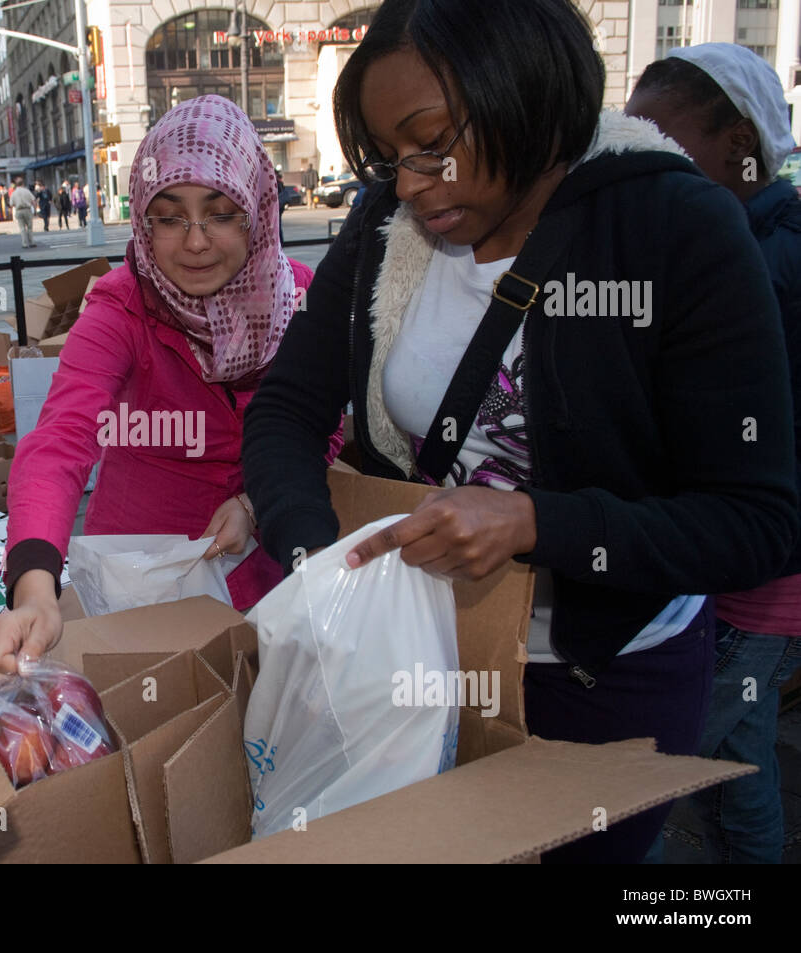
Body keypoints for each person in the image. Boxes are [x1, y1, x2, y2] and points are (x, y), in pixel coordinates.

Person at [241, 0, 798, 864]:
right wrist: (323, 572)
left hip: (603, 683)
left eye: (432, 145)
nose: (413, 184)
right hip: (414, 658)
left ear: (525, 92)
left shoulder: (676, 228)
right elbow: (285, 408)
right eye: (390, 158)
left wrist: (537, 522)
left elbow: (756, 520)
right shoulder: (388, 222)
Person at [0, 95, 337, 680]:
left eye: (222, 214)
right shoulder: (121, 307)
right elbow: (61, 440)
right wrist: (36, 589)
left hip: (271, 572)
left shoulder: (299, 300)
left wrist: (255, 504)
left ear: (259, 210)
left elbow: (325, 428)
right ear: (143, 221)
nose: (195, 242)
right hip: (140, 586)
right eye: (169, 217)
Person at [626, 43, 801, 865]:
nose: (633, 154)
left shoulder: (756, 263)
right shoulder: (739, 236)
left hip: (749, 585)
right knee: (738, 761)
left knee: (628, 787)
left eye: (657, 136)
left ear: (737, 142)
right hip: (730, 578)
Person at [10, 177, 38, 248]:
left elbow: (11, 204)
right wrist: (35, 210)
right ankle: (31, 242)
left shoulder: (14, 193)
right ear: (23, 183)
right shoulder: (27, 191)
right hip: (27, 210)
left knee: (22, 228)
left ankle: (24, 243)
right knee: (29, 227)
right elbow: (33, 201)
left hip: (19, 210)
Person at [275, 169, 287, 243]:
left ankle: (280, 242)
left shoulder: (276, 182)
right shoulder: (279, 182)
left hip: (277, 207)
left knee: (277, 226)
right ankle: (281, 242)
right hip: (280, 206)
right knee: (278, 225)